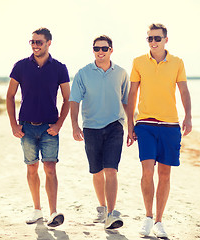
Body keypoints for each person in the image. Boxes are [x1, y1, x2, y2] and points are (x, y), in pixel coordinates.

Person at [126, 23, 192, 238]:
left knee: (165, 174)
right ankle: (147, 217)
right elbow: (132, 95)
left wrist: (188, 117)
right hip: (145, 124)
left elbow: (183, 90)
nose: (153, 42)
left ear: (165, 39)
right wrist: (130, 124)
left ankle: (159, 221)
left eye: (157, 38)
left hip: (170, 126)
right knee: (146, 171)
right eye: (150, 38)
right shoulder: (138, 62)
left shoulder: (177, 62)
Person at [6, 27, 70, 227]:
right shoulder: (21, 66)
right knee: (32, 167)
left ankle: (53, 212)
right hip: (26, 127)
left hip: (49, 127)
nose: (35, 45)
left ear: (49, 43)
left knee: (50, 167)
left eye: (39, 42)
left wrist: (59, 124)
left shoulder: (59, 68)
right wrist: (14, 124)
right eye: (32, 42)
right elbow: (9, 96)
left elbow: (67, 99)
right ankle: (37, 210)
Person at [69, 35, 130, 230]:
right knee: (96, 171)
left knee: (111, 170)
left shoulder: (121, 73)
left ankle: (111, 214)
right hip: (91, 127)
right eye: (96, 49)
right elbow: (74, 101)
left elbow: (127, 101)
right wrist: (74, 126)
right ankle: (102, 209)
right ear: (93, 50)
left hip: (115, 126)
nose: (100, 52)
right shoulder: (83, 73)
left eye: (104, 48)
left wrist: (131, 126)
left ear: (111, 49)